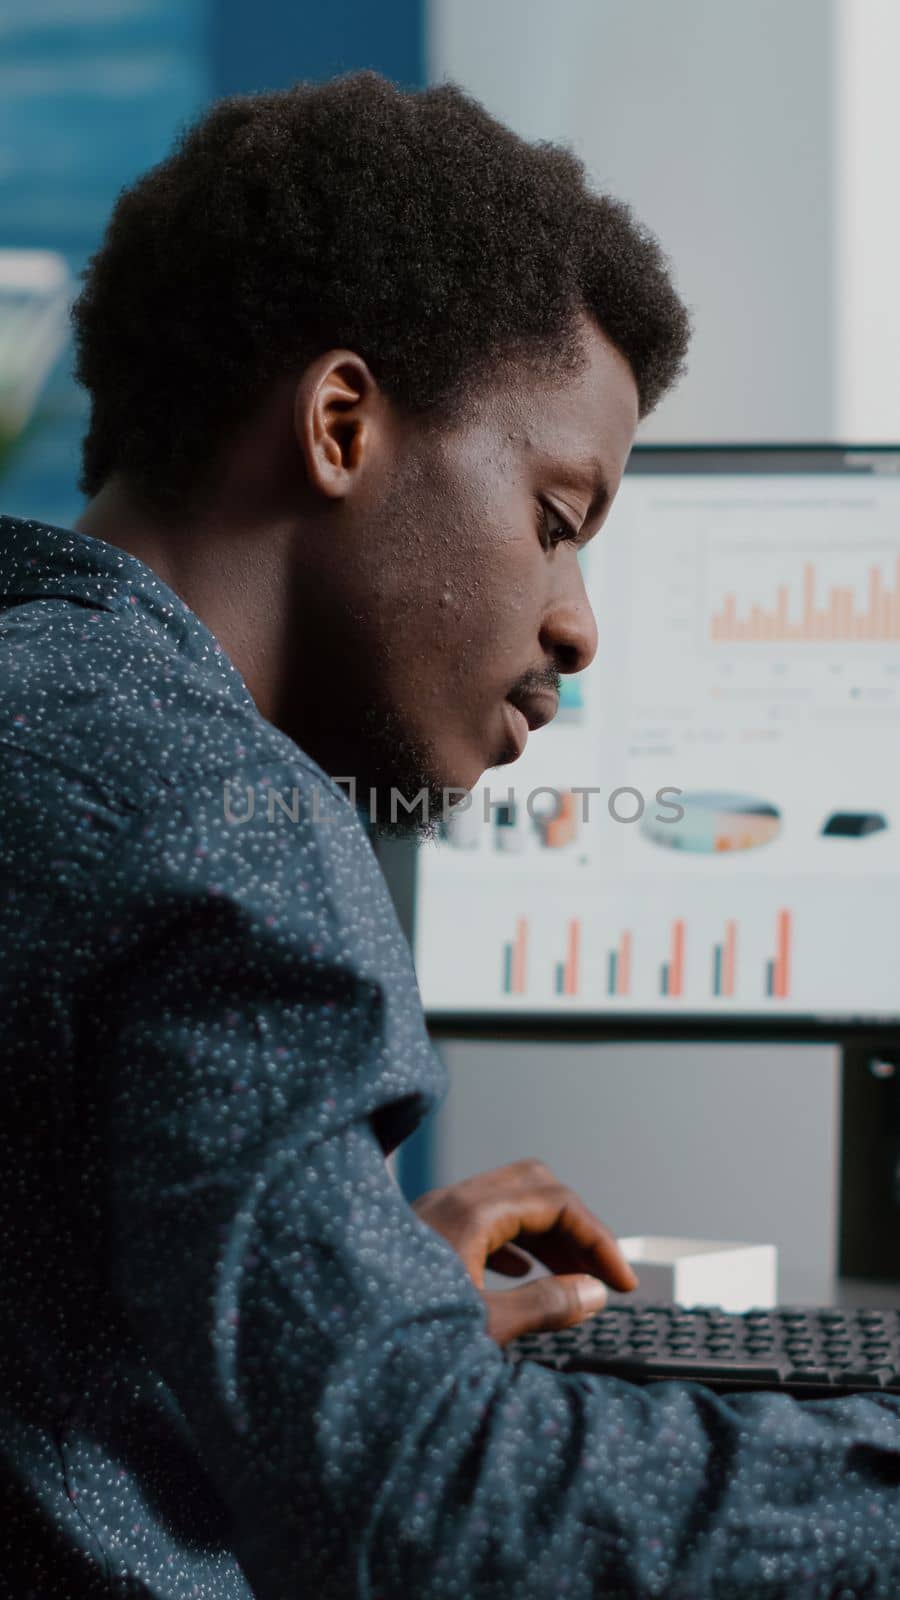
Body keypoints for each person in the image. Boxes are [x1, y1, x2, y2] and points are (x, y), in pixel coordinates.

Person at [2, 68, 899, 1600]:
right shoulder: (225, 820)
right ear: (342, 424)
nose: (579, 624)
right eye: (559, 518)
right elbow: (429, 1507)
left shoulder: (40, 688)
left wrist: (348, 1301)